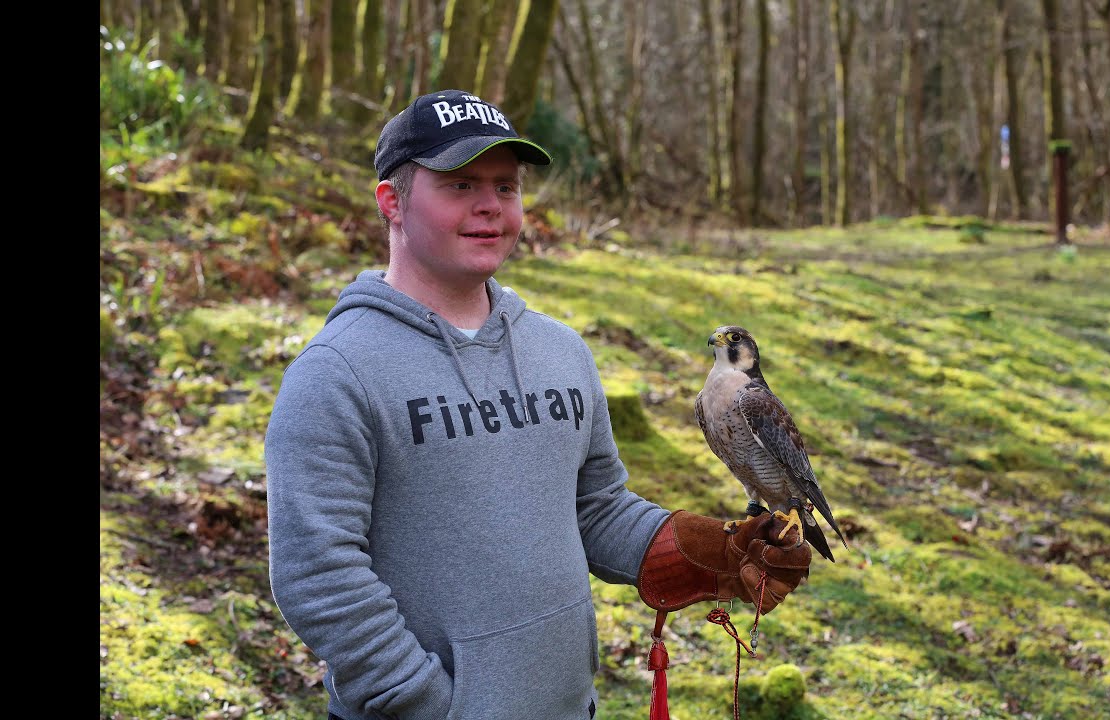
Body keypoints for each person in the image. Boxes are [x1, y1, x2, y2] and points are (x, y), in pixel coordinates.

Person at [264, 89, 813, 720]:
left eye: (506, 186)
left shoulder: (560, 350)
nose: (490, 207)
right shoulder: (336, 374)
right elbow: (318, 574)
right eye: (460, 186)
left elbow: (594, 507)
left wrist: (706, 550)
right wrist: (431, 705)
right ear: (392, 201)